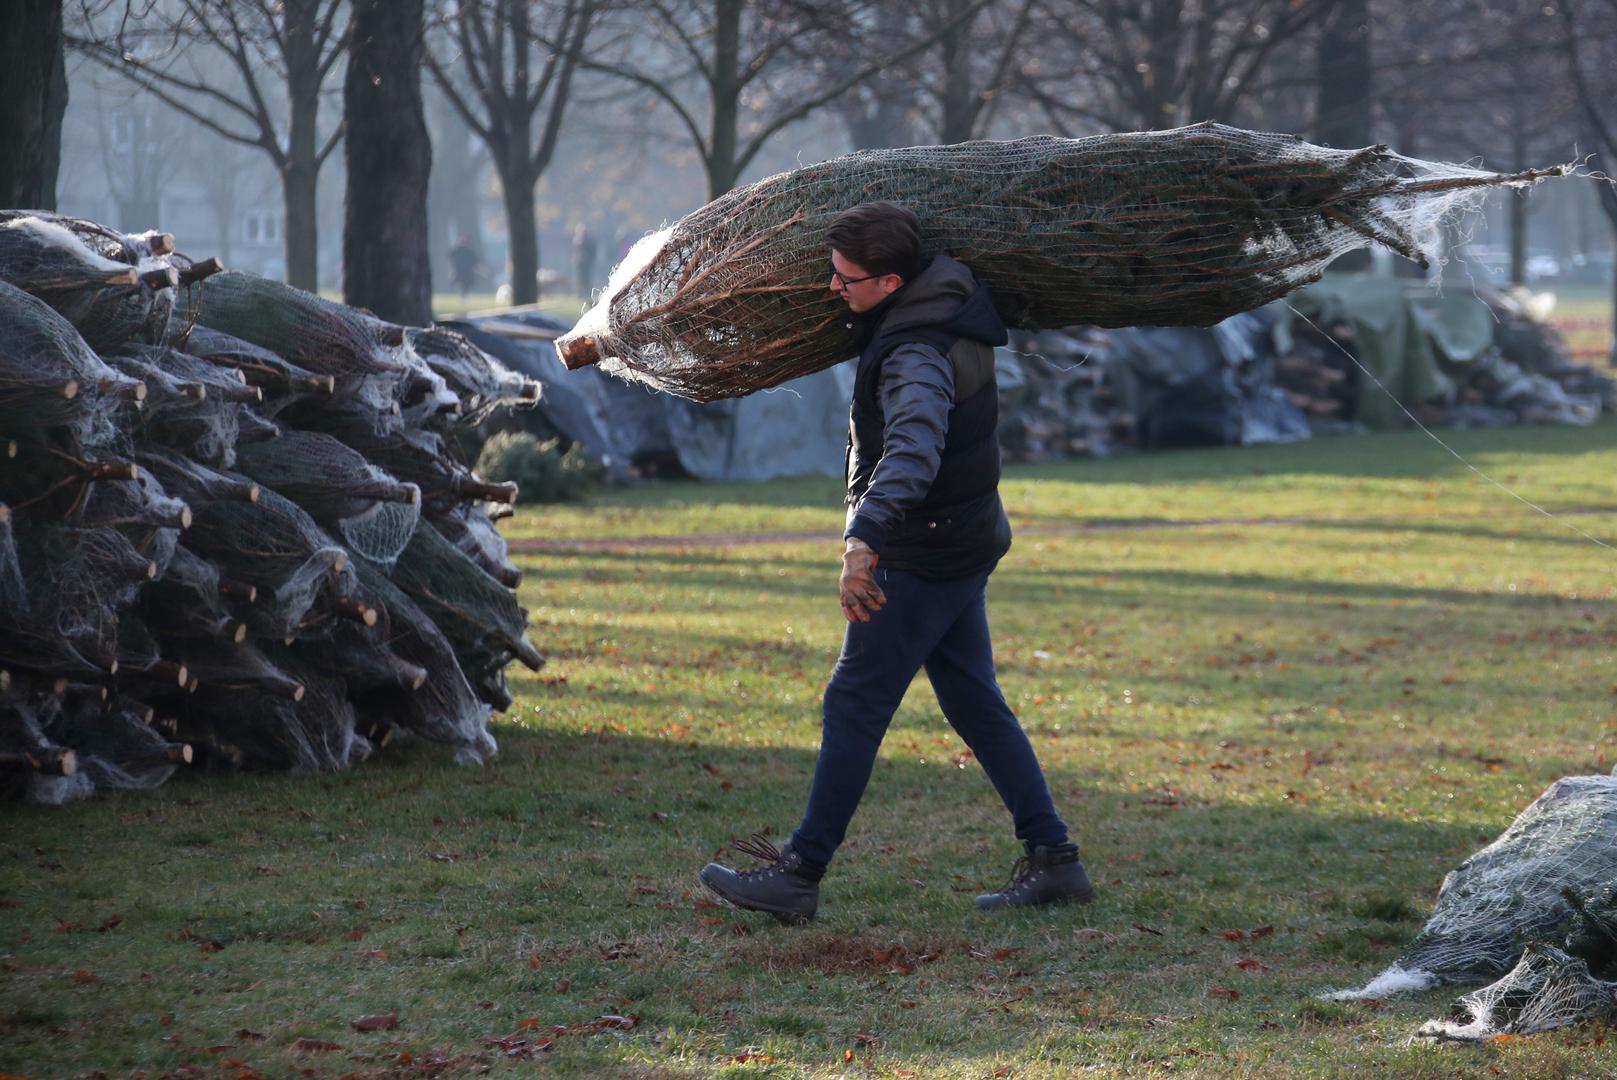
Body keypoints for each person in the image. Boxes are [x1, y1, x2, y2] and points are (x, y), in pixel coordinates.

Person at [698, 201, 1093, 923]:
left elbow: (913, 449)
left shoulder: (915, 353)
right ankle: (1054, 860)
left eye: (844, 280)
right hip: (962, 535)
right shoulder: (945, 309)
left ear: (888, 281)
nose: (831, 290)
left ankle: (799, 873)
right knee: (973, 699)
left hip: (924, 548)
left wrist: (862, 541)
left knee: (854, 700)